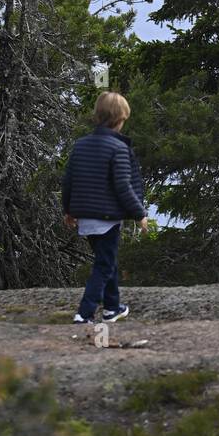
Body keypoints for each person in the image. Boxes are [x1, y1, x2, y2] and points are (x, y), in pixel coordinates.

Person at [62, 90, 148, 324]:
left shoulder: (80, 145)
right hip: (107, 217)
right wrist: (139, 212)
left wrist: (68, 210)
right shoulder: (118, 148)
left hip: (85, 217)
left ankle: (112, 308)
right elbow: (123, 185)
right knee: (104, 265)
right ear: (119, 119)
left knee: (107, 260)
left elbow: (68, 180)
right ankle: (85, 313)